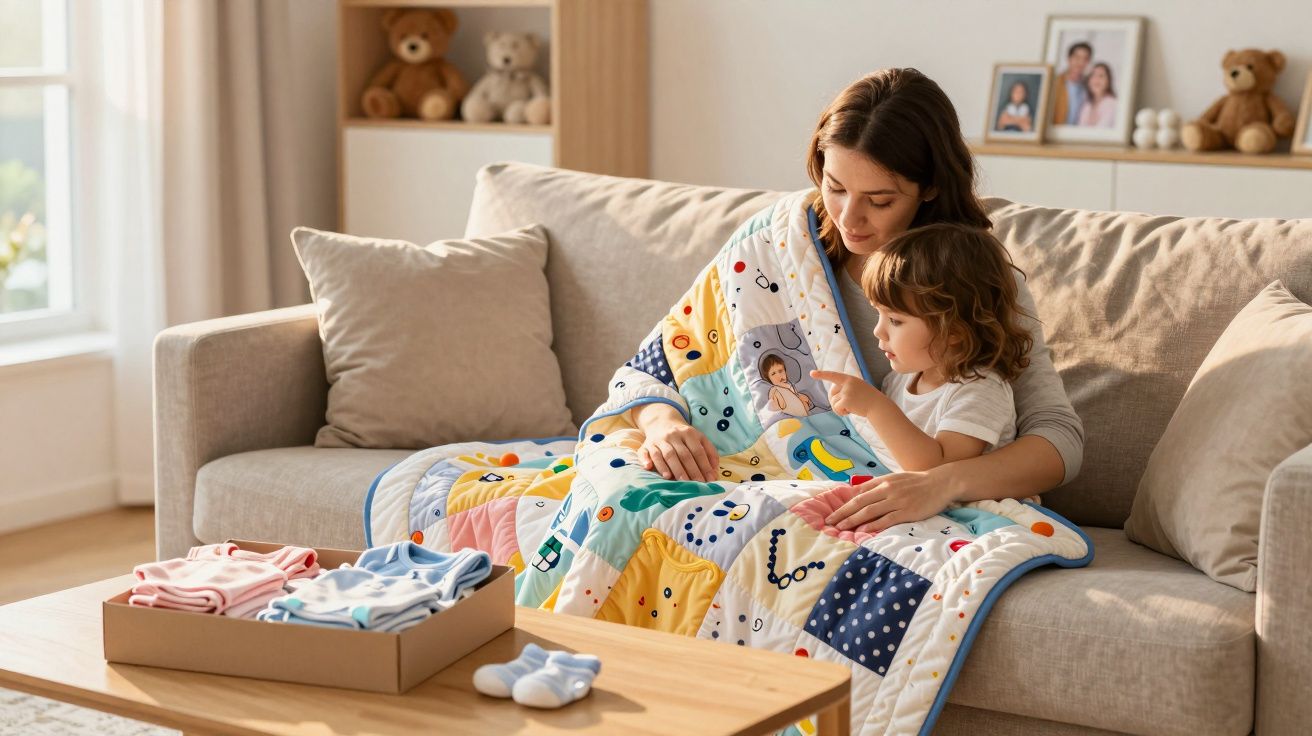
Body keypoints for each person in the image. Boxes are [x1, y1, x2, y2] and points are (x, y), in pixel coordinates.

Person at [632, 68, 1084, 534]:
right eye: (835, 187)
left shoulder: (971, 283)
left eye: (880, 200)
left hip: (875, 501)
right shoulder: (774, 246)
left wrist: (941, 483)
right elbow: (658, 364)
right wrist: (663, 425)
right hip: (751, 472)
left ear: (929, 187)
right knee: (631, 504)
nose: (849, 218)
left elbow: (1059, 439)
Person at [809, 224, 1029, 480]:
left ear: (953, 330)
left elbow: (937, 471)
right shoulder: (900, 379)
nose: (878, 331)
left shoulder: (981, 390)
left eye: (895, 320)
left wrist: (875, 407)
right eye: (878, 314)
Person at [761, 353, 815, 417]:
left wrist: (804, 399)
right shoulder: (775, 390)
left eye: (780, 371)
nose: (779, 375)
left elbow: (796, 397)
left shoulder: (788, 386)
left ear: (785, 372)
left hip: (803, 415)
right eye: (773, 374)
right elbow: (778, 408)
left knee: (805, 400)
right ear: (768, 378)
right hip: (791, 419)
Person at [1051, 41, 1092, 125]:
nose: (1081, 63)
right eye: (1077, 57)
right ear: (1069, 59)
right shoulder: (1054, 83)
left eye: (1085, 59)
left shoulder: (1089, 86)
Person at [1077, 62, 1118, 128]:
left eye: (1101, 76)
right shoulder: (1087, 105)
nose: (1096, 80)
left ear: (1108, 81)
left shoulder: (1112, 104)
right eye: (1093, 76)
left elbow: (1102, 129)